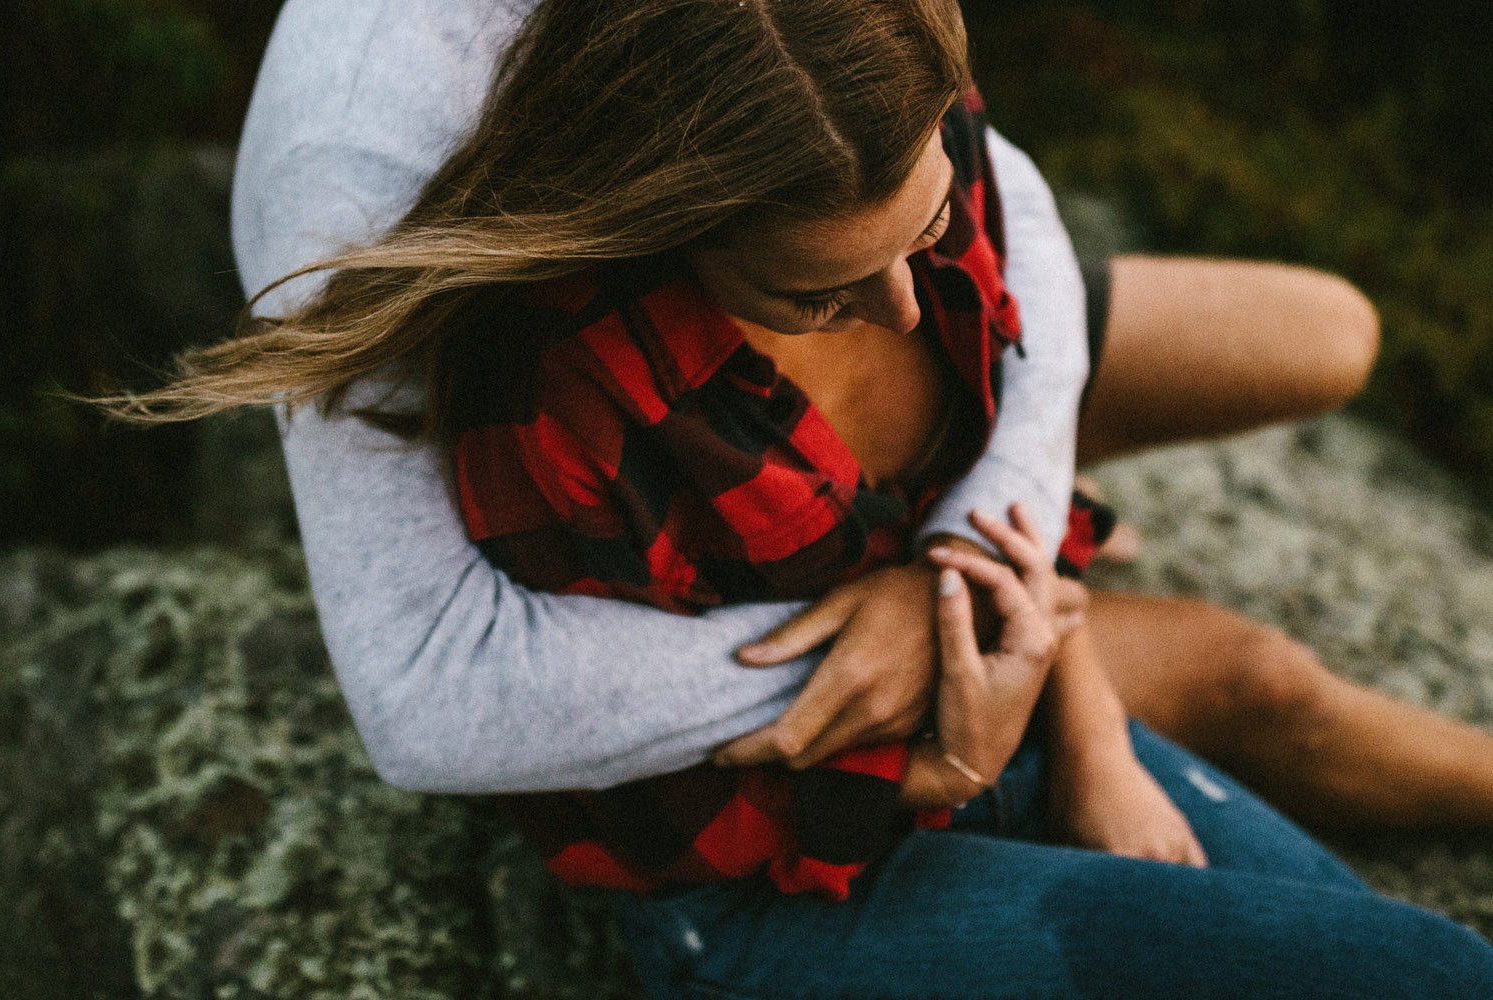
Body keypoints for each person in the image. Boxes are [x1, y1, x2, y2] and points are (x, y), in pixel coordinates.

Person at [105, 0, 1493, 996]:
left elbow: (1005, 203)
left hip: (881, 524)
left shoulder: (864, 135)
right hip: (767, 836)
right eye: (820, 292)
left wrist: (968, 561)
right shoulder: (415, 218)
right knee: (1292, 747)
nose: (895, 300)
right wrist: (899, 683)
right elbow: (428, 685)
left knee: (1304, 382)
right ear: (656, 227)